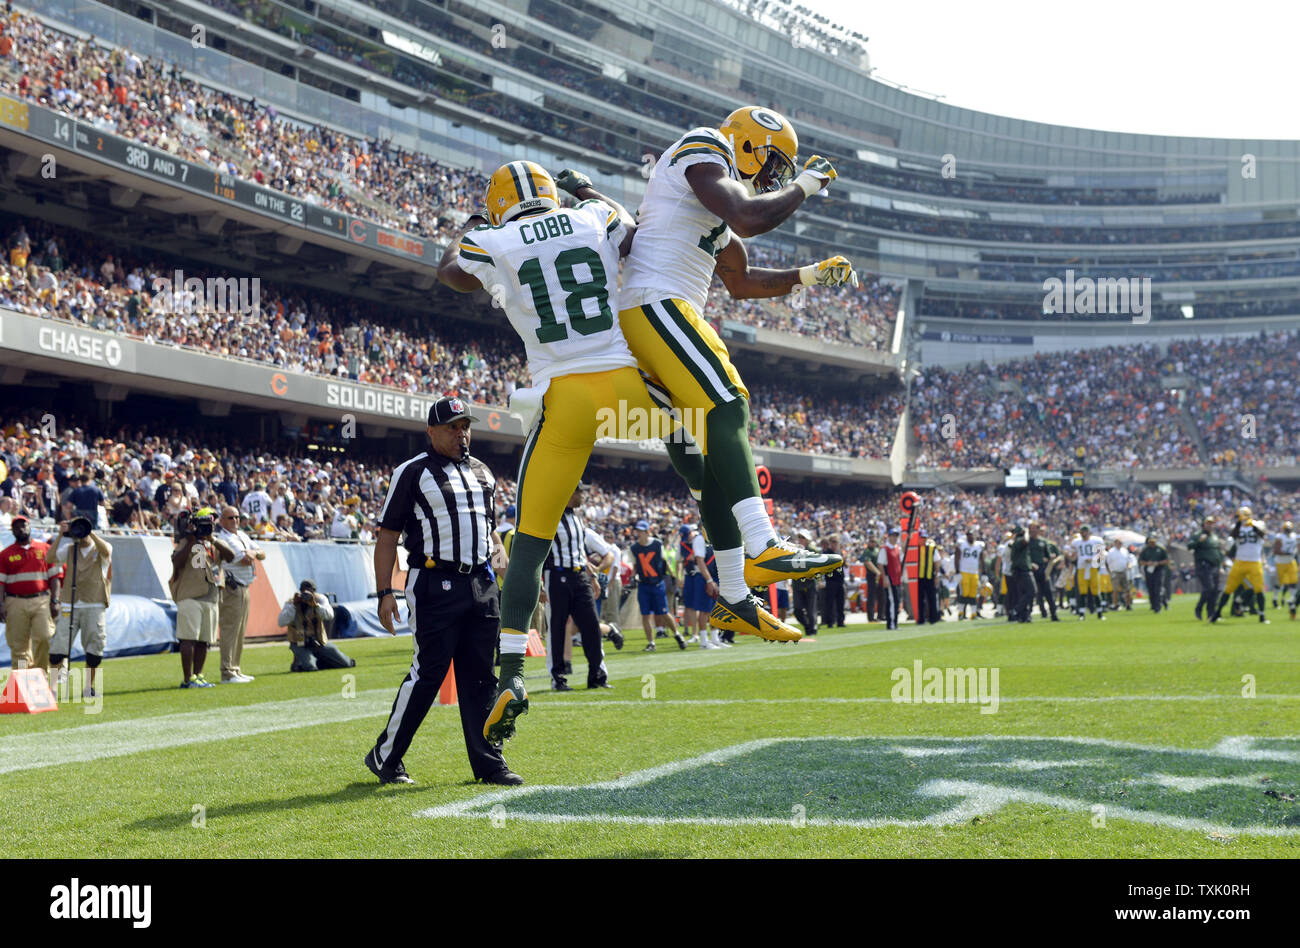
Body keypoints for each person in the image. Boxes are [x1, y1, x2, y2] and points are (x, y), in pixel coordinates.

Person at [555, 107, 847, 624]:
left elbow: (742, 280)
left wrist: (808, 275)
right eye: (774, 163)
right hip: (658, 305)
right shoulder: (706, 146)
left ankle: (734, 595)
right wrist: (806, 184)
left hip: (655, 314)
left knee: (706, 464)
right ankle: (762, 543)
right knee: (730, 404)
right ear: (751, 142)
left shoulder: (702, 208)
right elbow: (751, 218)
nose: (772, 177)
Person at [366, 396, 519, 786]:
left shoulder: (484, 472)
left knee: (482, 676)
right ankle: (386, 757)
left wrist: (505, 573)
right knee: (428, 673)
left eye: (465, 426)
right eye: (452, 427)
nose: (461, 433)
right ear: (431, 431)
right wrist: (386, 591)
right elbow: (387, 538)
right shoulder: (411, 472)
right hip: (435, 582)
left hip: (482, 583)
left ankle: (489, 764)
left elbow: (491, 532)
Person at [541, 483, 616, 691]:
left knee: (591, 625)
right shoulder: (550, 517)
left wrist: (591, 576)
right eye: (578, 491)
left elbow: (579, 552)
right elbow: (538, 553)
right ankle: (558, 678)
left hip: (580, 575)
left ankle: (597, 676)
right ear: (567, 493)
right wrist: (538, 584)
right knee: (557, 627)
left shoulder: (576, 518)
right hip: (557, 575)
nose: (582, 495)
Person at [170, 507, 237, 688]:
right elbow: (176, 562)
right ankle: (187, 679)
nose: (210, 525)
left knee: (204, 640)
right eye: (206, 523)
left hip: (211, 595)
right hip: (190, 595)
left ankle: (198, 675)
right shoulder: (187, 541)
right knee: (188, 638)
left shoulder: (213, 543)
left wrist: (212, 539)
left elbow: (231, 556)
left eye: (212, 522)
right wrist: (192, 541)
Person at [47, 516, 111, 699]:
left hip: (94, 603)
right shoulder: (69, 549)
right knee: (59, 645)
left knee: (95, 646)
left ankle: (88, 687)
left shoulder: (100, 547)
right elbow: (49, 558)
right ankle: (52, 688)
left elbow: (107, 552)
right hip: (70, 602)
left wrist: (90, 532)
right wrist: (61, 535)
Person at [0, 514, 60, 676]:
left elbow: (55, 578)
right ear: (12, 531)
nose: (21, 529)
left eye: (23, 525)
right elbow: (1, 583)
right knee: (19, 645)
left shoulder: (45, 549)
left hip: (41, 599)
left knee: (45, 637)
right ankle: (22, 680)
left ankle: (40, 674)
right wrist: (1, 605)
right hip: (15, 601)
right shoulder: (5, 554)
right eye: (17, 527)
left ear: (30, 527)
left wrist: (55, 600)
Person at [215, 505, 263, 683]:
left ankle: (235, 668)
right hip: (232, 587)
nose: (235, 521)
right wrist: (252, 553)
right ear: (222, 521)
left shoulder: (241, 535)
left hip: (244, 585)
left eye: (236, 517)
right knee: (230, 629)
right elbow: (244, 559)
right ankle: (227, 672)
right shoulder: (223, 538)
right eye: (230, 518)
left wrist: (252, 552)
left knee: (240, 630)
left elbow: (261, 553)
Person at [629, 520, 686, 651]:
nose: (638, 534)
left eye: (641, 531)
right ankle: (651, 643)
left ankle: (677, 635)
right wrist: (632, 578)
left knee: (665, 612)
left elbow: (664, 562)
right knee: (645, 615)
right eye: (637, 531)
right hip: (644, 585)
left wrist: (672, 576)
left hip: (657, 583)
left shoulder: (657, 544)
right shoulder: (633, 548)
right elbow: (635, 567)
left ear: (647, 532)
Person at [1210, 506, 1269, 624]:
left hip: (1254, 562)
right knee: (1228, 589)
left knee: (1258, 589)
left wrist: (1251, 524)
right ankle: (1217, 614)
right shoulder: (1236, 527)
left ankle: (1262, 615)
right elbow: (1231, 539)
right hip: (1240, 562)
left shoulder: (1258, 525)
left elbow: (1262, 534)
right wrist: (1240, 525)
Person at [279, 580, 354, 671]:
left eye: (310, 592)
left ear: (314, 591)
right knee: (310, 667)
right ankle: (299, 663)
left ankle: (317, 661)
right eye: (304, 592)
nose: (307, 595)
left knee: (346, 663)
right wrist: (294, 606)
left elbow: (329, 615)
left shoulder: (320, 599)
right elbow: (281, 622)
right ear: (300, 591)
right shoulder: (292, 602)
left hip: (318, 642)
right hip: (300, 643)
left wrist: (315, 605)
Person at [1188, 516, 1224, 621]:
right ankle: (1199, 609)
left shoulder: (1214, 537)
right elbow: (1189, 546)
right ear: (1204, 524)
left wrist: (1220, 565)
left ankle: (1211, 613)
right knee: (1209, 588)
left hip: (1215, 566)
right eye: (1208, 523)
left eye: (1212, 523)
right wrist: (1199, 541)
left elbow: (1218, 553)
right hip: (1203, 566)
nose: (1210, 525)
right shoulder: (1198, 535)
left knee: (1215, 590)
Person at [1071, 525, 1106, 620]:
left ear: (1089, 532)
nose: (1083, 533)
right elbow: (1072, 556)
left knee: (1095, 591)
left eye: (1085, 531)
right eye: (1082, 531)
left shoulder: (1096, 540)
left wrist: (1093, 560)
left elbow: (1101, 557)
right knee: (1082, 591)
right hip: (1081, 568)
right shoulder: (1076, 542)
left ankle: (1100, 613)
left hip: (1093, 568)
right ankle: (1081, 614)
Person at [1027, 523, 1061, 621]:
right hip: (1031, 569)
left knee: (1048, 592)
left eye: (1033, 529)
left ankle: (1053, 614)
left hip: (1042, 569)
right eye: (1030, 529)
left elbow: (1048, 555)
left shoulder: (1043, 542)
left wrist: (1050, 558)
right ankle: (1029, 614)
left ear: (1038, 530)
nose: (1032, 531)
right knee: (1031, 593)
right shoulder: (1026, 542)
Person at [877, 526, 904, 630]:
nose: (894, 538)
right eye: (892, 536)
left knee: (895, 601)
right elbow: (881, 564)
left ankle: (894, 622)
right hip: (890, 578)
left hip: (896, 578)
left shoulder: (897, 548)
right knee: (893, 601)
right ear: (889, 537)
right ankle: (892, 623)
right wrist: (885, 578)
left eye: (896, 536)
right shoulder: (885, 549)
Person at [956, 527, 985, 620]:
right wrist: (957, 572)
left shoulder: (979, 545)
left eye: (972, 535)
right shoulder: (962, 545)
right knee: (964, 592)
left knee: (973, 593)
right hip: (964, 571)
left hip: (974, 572)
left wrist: (984, 572)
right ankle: (961, 613)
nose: (970, 537)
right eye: (969, 535)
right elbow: (957, 558)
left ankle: (973, 614)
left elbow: (982, 560)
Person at [914, 528, 941, 625]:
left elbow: (937, 562)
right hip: (918, 577)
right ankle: (921, 618)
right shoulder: (914, 547)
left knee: (931, 598)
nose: (923, 540)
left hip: (929, 576)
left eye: (925, 538)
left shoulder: (931, 548)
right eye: (921, 538)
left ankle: (933, 618)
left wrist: (937, 575)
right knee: (920, 599)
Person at [1138, 536, 1171, 613]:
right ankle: (1153, 605)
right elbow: (1140, 561)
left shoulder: (1161, 548)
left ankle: (1158, 607)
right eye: (1150, 542)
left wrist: (1158, 563)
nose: (1152, 543)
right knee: (1151, 588)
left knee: (1157, 588)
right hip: (1149, 571)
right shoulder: (1145, 550)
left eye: (1153, 542)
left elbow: (1166, 560)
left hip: (1158, 570)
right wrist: (1147, 563)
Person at [1271, 521, 1297, 616]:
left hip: (1290, 561)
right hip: (1281, 562)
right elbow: (1276, 550)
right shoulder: (1280, 537)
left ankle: (1292, 599)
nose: (1288, 531)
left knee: (1293, 582)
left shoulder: (1295, 536)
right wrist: (1286, 553)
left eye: (1289, 529)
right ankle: (1275, 599)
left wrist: (1293, 552)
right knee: (1279, 582)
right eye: (1286, 529)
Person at [821, 534, 846, 628]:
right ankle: (830, 622)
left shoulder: (840, 553)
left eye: (836, 542)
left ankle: (840, 621)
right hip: (831, 580)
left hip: (840, 580)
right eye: (833, 542)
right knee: (830, 603)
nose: (835, 544)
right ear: (830, 543)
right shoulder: (827, 553)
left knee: (840, 602)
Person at [1104, 538, 1131, 613]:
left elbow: (1128, 560)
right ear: (1115, 543)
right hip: (1115, 572)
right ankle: (1115, 604)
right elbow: (1107, 563)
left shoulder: (1124, 551)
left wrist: (1129, 566)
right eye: (1118, 543)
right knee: (1115, 590)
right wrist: (1110, 572)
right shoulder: (1111, 551)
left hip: (1123, 571)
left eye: (1121, 543)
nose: (1120, 544)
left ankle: (1128, 604)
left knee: (1127, 589)